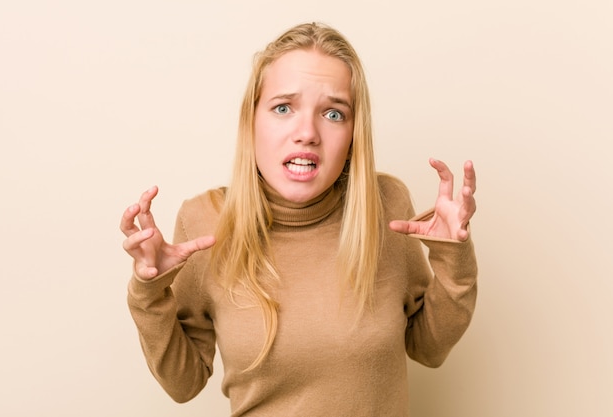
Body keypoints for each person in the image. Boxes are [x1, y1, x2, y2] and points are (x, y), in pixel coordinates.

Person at [121, 22, 478, 417]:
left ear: (354, 135)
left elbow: (427, 349)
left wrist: (454, 262)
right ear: (251, 120)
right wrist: (149, 292)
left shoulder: (387, 206)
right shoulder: (204, 221)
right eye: (283, 107)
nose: (307, 132)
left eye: (333, 113)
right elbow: (183, 384)